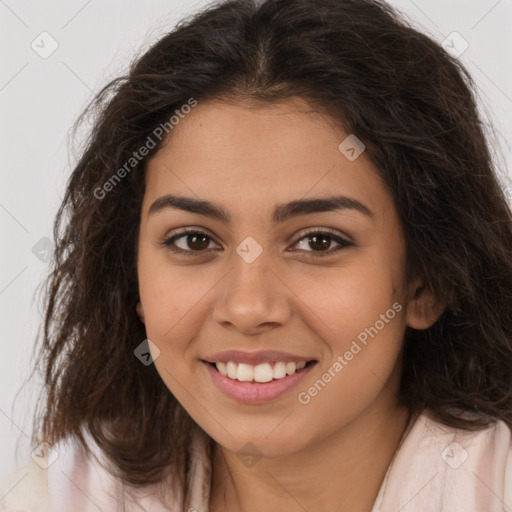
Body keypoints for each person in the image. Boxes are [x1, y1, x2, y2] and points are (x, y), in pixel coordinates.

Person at [1, 0, 512, 510]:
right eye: (194, 241)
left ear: (427, 281)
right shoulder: (55, 496)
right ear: (133, 280)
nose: (247, 309)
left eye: (318, 241)